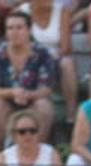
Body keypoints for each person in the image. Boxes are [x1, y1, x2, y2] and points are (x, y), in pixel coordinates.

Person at [0, 10, 56, 143]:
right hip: (6, 101)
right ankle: (1, 157)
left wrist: (27, 95)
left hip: (33, 100)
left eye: (19, 28)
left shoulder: (43, 53)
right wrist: (12, 93)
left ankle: (37, 154)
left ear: (29, 30)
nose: (14, 32)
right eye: (10, 28)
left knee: (44, 106)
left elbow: (46, 89)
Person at [19, 0, 77, 131]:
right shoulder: (21, 12)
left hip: (56, 57)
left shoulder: (62, 11)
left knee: (67, 63)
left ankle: (71, 116)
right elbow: (17, 44)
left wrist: (48, 58)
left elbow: (66, 48)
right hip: (29, 59)